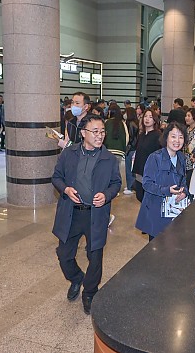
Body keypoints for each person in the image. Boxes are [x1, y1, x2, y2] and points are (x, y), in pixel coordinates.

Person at [51, 114, 121, 315]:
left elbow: (116, 183)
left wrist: (106, 195)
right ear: (83, 133)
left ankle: (90, 292)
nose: (100, 136)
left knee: (95, 257)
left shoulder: (109, 159)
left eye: (102, 132)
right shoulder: (69, 153)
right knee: (64, 254)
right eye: (95, 131)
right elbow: (56, 177)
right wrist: (66, 189)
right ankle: (76, 278)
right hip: (71, 213)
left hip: (95, 215)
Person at [135, 122, 189, 240]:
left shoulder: (182, 158)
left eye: (181, 137)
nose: (177, 141)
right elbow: (147, 184)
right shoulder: (155, 157)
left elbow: (183, 181)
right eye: (173, 136)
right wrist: (166, 190)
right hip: (156, 210)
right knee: (157, 245)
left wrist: (184, 192)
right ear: (166, 138)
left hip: (173, 210)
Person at [132, 108, 162, 202]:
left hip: (151, 173)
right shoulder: (141, 135)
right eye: (145, 116)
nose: (147, 119)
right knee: (140, 196)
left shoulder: (158, 135)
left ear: (155, 120)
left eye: (150, 117)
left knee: (147, 198)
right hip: (140, 171)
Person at [123, 107, 139, 195]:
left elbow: (130, 137)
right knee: (131, 169)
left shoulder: (130, 124)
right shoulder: (135, 122)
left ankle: (130, 187)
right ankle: (131, 185)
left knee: (129, 169)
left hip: (130, 149)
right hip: (134, 148)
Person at [183, 108, 195, 186]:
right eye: (186, 116)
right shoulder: (186, 129)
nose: (186, 118)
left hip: (193, 162)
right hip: (185, 160)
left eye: (189, 116)